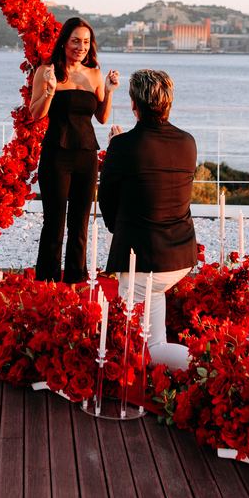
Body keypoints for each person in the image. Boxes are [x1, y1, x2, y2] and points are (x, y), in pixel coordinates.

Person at [100, 69, 198, 368]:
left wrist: (118, 146)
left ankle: (213, 363)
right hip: (179, 256)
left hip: (141, 259)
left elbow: (107, 202)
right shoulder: (187, 142)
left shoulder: (124, 146)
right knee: (154, 345)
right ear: (168, 103)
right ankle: (205, 362)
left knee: (128, 348)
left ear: (133, 104)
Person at [29, 17, 119, 283]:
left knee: (79, 224)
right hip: (56, 154)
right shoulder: (46, 70)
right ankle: (47, 282)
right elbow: (36, 114)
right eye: (76, 41)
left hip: (86, 154)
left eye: (86, 42)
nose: (81, 46)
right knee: (54, 223)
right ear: (64, 42)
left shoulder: (94, 72)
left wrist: (111, 91)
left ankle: (75, 281)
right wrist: (50, 91)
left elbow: (102, 117)